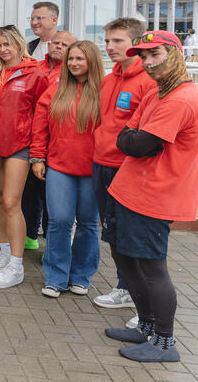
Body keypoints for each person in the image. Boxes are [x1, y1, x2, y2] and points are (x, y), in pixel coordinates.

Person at [101, 30, 198, 363]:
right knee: (125, 260)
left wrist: (134, 138)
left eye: (154, 54)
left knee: (152, 267)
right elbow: (127, 135)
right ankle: (146, 325)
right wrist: (133, 138)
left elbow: (138, 144)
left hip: (154, 196)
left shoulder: (182, 98)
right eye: (143, 56)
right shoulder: (158, 93)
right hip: (128, 189)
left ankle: (165, 342)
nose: (148, 62)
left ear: (174, 54)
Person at [30, 40, 103, 297]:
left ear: (92, 61)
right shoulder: (56, 89)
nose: (73, 63)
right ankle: (55, 277)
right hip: (59, 166)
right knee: (59, 221)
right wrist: (37, 158)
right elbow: (40, 125)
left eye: (79, 59)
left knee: (88, 223)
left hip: (93, 170)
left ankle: (81, 276)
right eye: (71, 59)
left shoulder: (105, 91)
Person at [92, 17, 154, 317]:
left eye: (117, 41)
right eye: (107, 41)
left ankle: (144, 303)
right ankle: (125, 287)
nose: (110, 46)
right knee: (113, 233)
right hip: (101, 163)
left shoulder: (148, 80)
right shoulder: (109, 78)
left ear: (136, 43)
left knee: (132, 235)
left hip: (127, 168)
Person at [0, 25, 48, 288]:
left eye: (7, 44)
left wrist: (39, 151)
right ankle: (5, 251)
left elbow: (42, 115)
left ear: (19, 44)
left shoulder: (35, 74)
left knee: (10, 201)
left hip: (19, 145)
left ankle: (17, 266)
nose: (3, 49)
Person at [23, 29, 77, 251]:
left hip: (56, 144)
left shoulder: (72, 75)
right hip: (30, 139)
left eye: (65, 45)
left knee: (51, 200)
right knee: (29, 193)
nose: (58, 47)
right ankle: (29, 236)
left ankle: (51, 247)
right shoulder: (37, 68)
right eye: (56, 42)